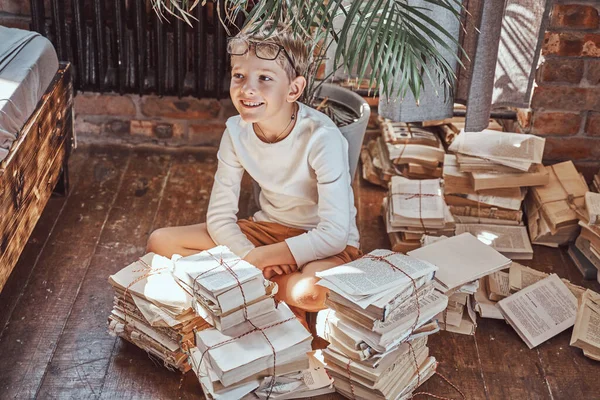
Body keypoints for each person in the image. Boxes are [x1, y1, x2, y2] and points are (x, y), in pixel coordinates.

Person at [146, 20, 361, 327]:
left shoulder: (322, 137)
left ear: (294, 89)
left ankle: (254, 287)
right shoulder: (235, 132)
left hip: (323, 242)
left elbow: (335, 233)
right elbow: (220, 217)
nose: (248, 88)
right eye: (239, 76)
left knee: (311, 292)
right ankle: (268, 289)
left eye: (264, 78)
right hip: (266, 231)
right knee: (160, 242)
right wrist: (251, 255)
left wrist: (261, 260)